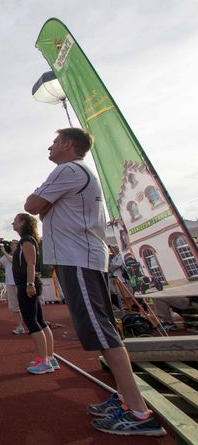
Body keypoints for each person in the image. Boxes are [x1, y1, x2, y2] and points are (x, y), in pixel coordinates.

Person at [25, 127, 165, 436]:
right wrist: (46, 204)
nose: (50, 146)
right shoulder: (75, 172)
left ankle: (139, 413)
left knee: (103, 333)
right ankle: (127, 400)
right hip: (81, 258)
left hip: (78, 258)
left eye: (55, 141)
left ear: (68, 145)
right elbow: (41, 210)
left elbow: (32, 206)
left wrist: (44, 202)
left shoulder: (68, 170)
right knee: (103, 330)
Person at [11, 213, 58, 375]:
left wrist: (29, 284)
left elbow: (31, 264)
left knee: (32, 321)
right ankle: (49, 358)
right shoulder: (25, 241)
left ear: (23, 222)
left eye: (15, 221)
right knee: (40, 321)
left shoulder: (27, 241)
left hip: (27, 284)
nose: (13, 223)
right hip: (27, 283)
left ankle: (44, 361)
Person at [0, 240, 25, 334]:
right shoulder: (6, 256)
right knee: (14, 307)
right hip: (10, 284)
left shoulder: (21, 254)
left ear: (18, 245)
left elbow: (12, 260)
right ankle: (20, 327)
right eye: (10, 243)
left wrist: (3, 251)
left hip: (21, 283)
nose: (11, 244)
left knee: (26, 305)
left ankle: (34, 325)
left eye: (13, 242)